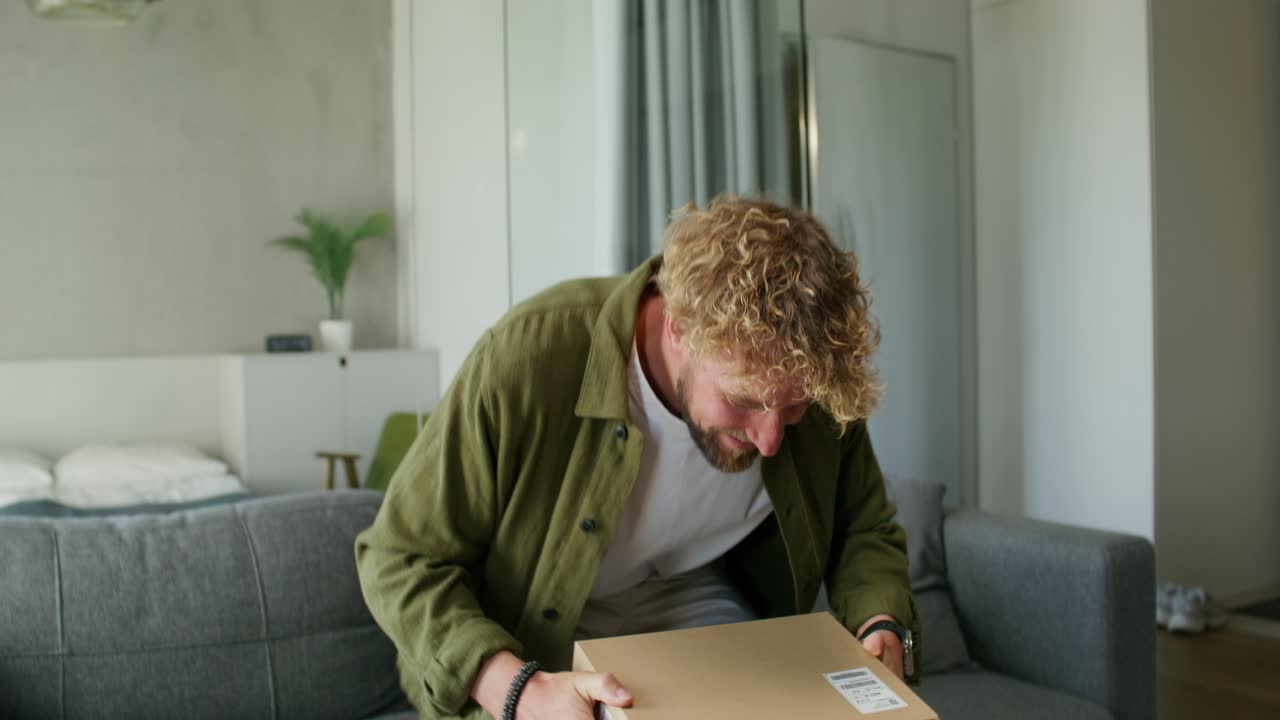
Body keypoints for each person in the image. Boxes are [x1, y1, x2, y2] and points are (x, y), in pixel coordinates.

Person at [355, 196, 920, 720]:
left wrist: (880, 620)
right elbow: (398, 558)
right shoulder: (528, 360)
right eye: (742, 400)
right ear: (678, 327)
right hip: (534, 641)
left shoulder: (803, 373)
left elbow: (862, 524)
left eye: (793, 409)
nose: (771, 439)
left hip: (699, 618)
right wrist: (521, 691)